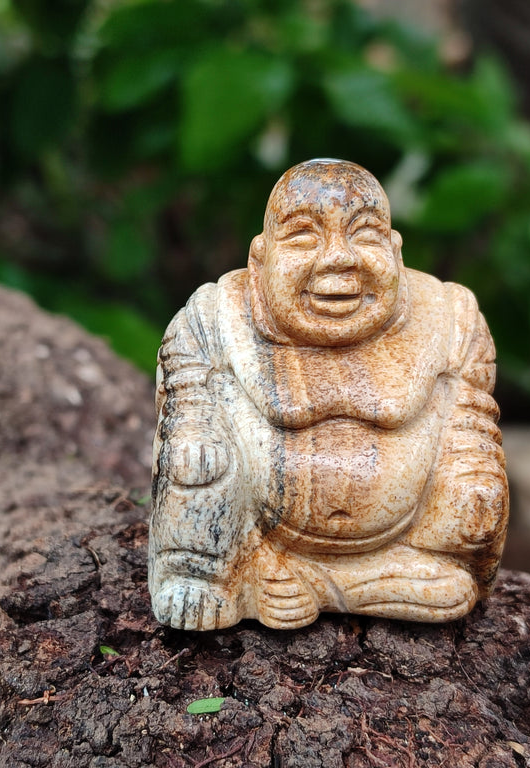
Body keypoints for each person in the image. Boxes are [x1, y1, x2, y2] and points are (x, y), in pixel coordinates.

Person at [149, 159, 508, 630]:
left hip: (401, 537)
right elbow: (185, 388)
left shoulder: (450, 316)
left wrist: (473, 498)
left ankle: (311, 581)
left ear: (396, 251)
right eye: (302, 237)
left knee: (462, 562)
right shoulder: (215, 314)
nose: (339, 257)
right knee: (196, 459)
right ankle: (208, 572)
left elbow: (471, 423)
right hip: (261, 522)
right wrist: (196, 433)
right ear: (260, 259)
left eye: (364, 235)